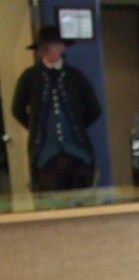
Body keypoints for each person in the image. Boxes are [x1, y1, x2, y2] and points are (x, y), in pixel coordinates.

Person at [11, 25, 101, 192]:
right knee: (50, 202)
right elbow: (17, 110)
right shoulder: (30, 77)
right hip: (46, 157)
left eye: (53, 45)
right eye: (45, 47)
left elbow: (94, 110)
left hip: (77, 153)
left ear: (61, 47)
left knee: (81, 201)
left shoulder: (75, 76)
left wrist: (77, 127)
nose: (49, 50)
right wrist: (37, 128)